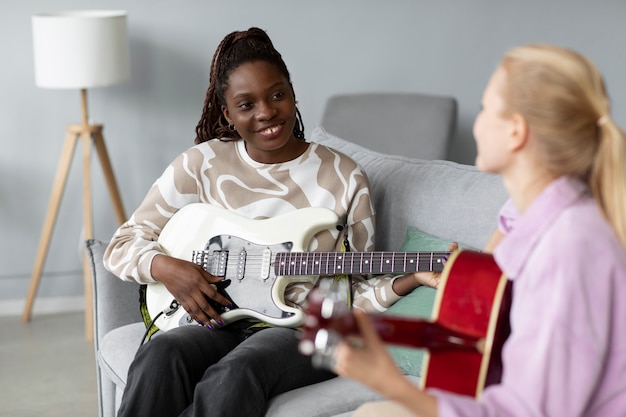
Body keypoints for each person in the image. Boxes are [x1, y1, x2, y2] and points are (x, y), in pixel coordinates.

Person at [103, 27, 443, 417]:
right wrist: (168, 268)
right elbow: (122, 245)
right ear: (227, 112)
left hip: (298, 331)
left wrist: (411, 277)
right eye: (246, 105)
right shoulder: (200, 165)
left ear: (292, 93)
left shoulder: (344, 177)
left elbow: (353, 292)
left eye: (277, 94)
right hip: (214, 321)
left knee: (235, 373)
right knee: (160, 354)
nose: (266, 112)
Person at [331, 43, 626, 417]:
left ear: (516, 131)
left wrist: (389, 381)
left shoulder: (571, 247)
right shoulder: (529, 214)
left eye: (486, 108)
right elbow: (486, 325)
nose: (478, 122)